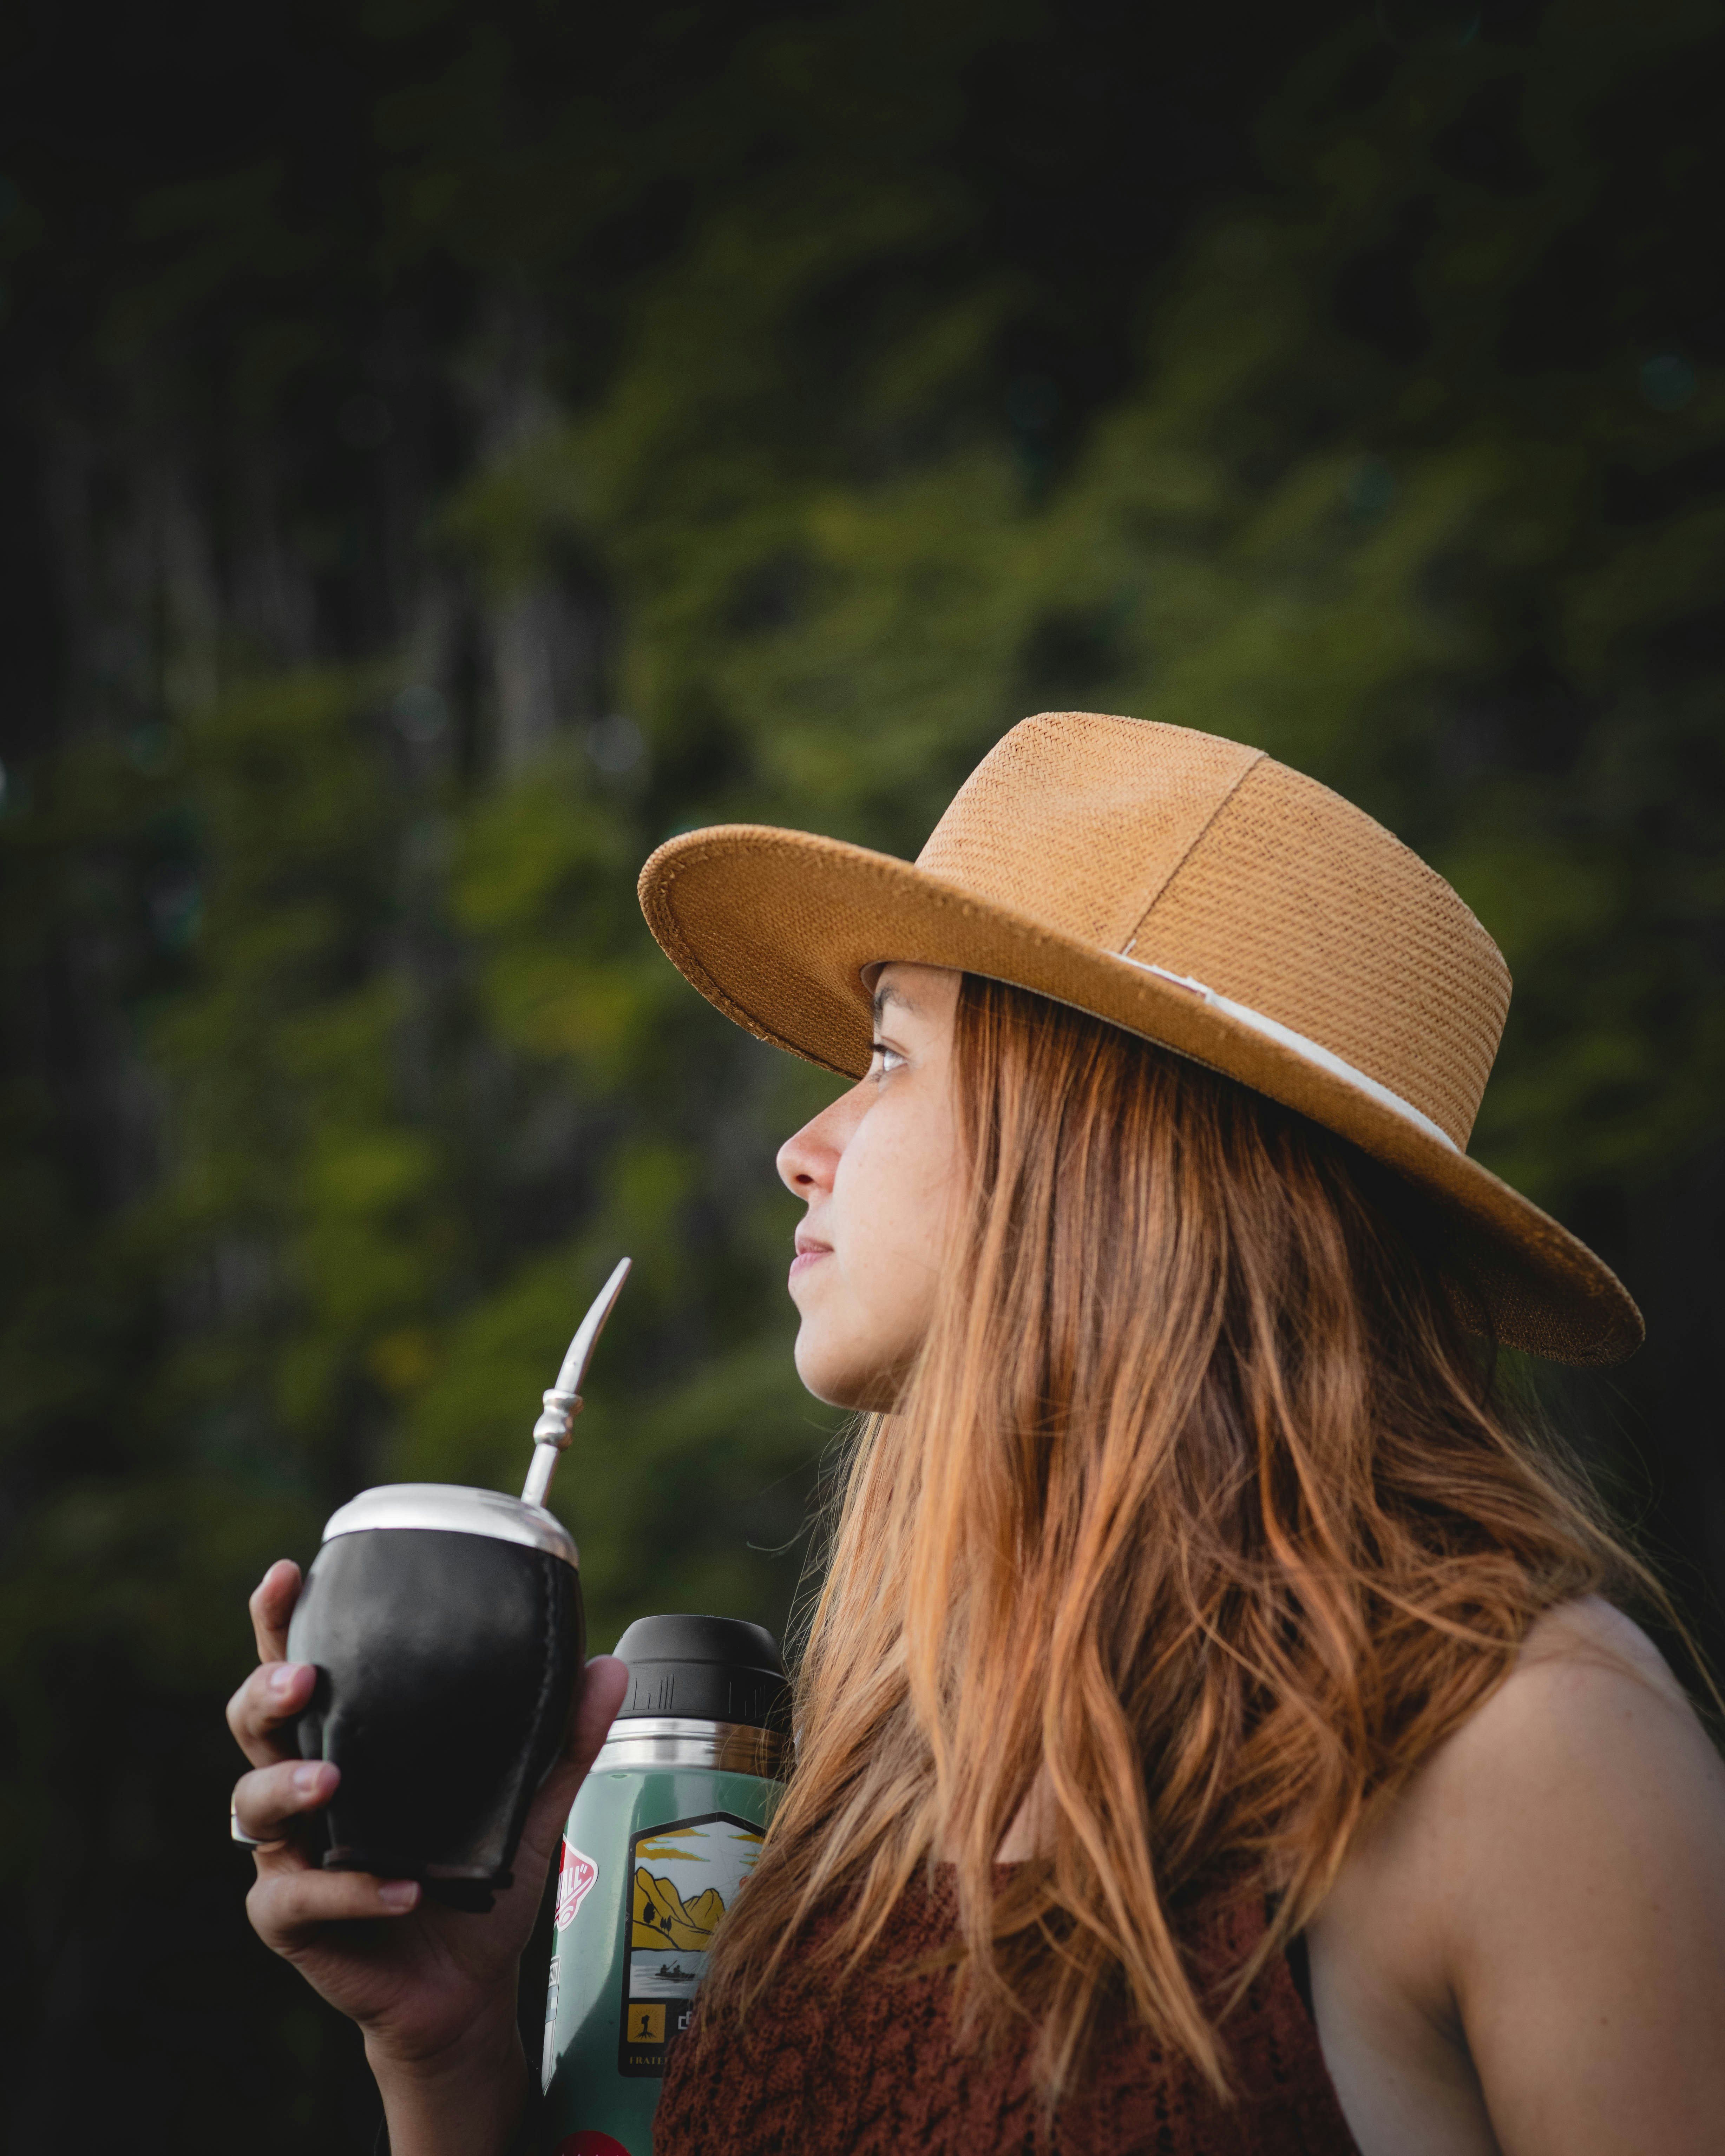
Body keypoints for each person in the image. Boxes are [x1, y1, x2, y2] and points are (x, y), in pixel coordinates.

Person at [228, 713, 1725, 2155]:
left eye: (887, 1054)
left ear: (1111, 1133)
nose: (800, 1149)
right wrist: (451, 2058)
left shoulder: (1518, 1751)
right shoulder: (862, 1785)